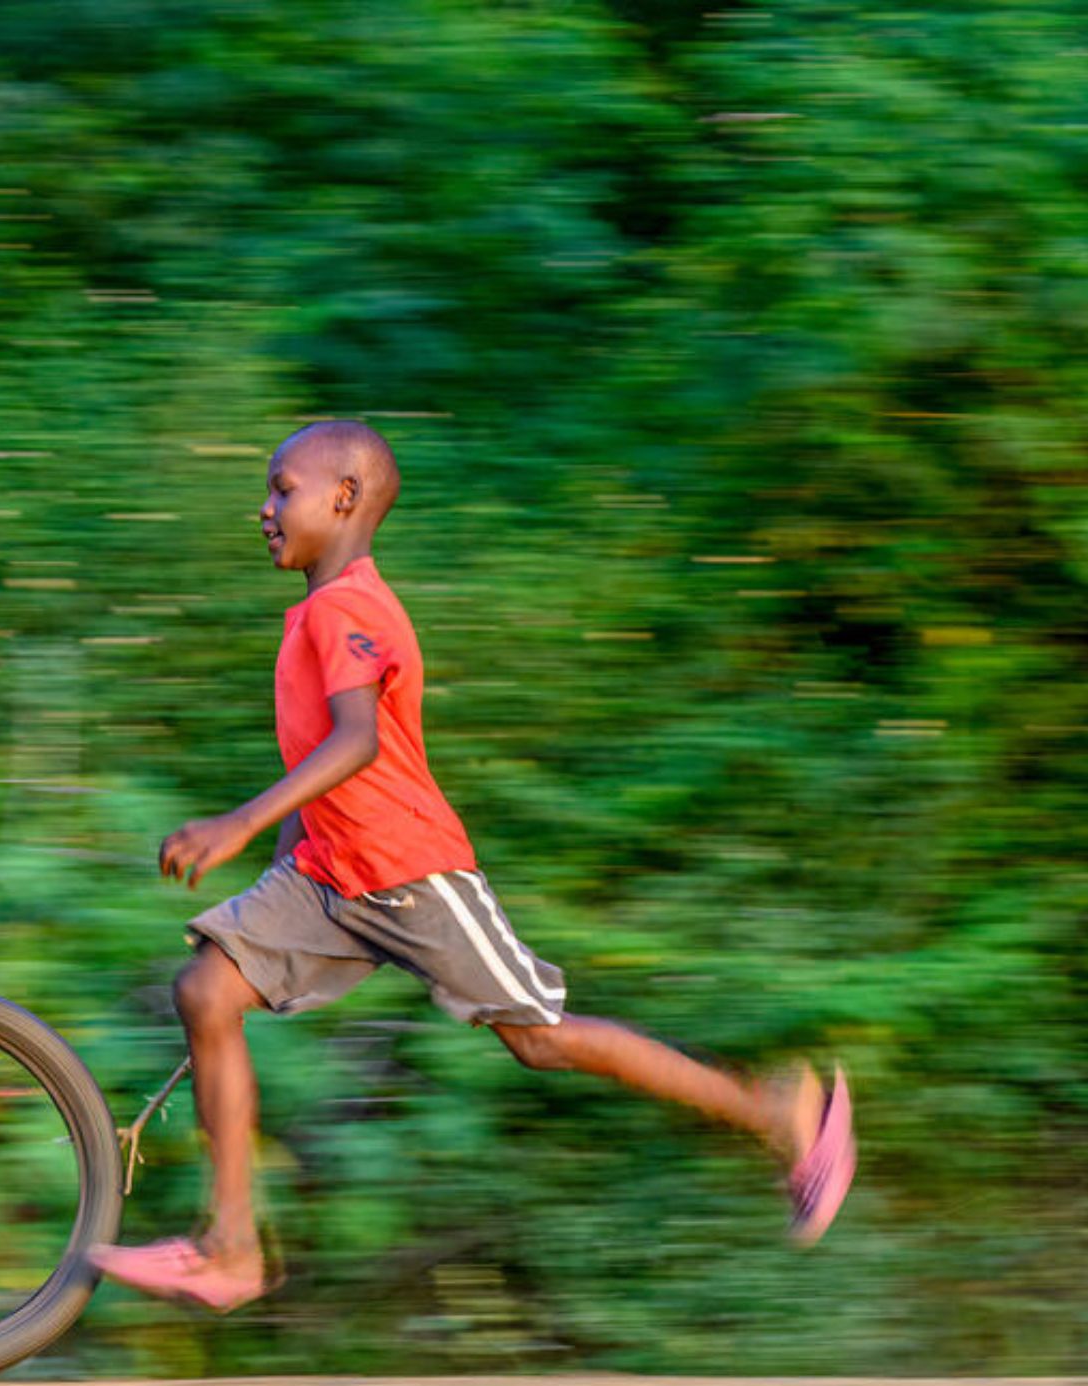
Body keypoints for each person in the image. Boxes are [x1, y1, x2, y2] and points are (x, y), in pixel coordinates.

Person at [87, 420, 857, 1313]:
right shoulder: (319, 610)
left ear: (343, 498)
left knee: (539, 1039)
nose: (262, 509)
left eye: (279, 489)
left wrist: (237, 820)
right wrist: (280, 863)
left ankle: (775, 1111)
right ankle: (230, 1249)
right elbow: (327, 769)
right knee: (206, 993)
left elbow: (357, 743)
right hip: (335, 878)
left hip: (413, 877)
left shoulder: (348, 608)